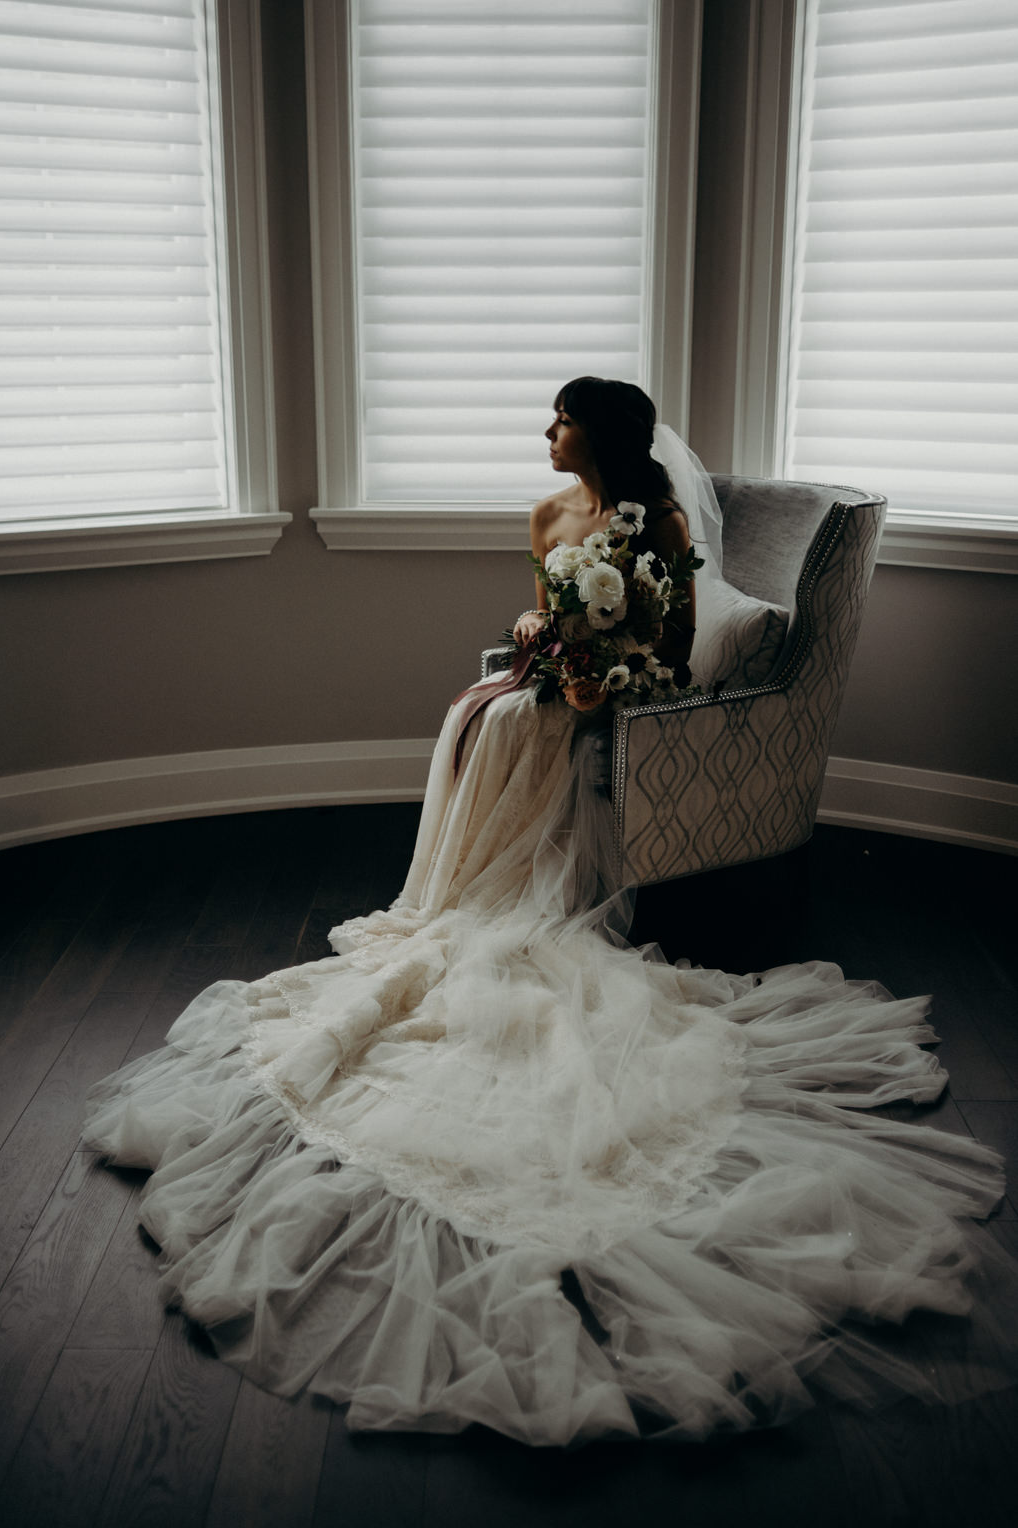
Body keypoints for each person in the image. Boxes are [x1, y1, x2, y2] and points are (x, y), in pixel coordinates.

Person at [84, 380, 1017, 1448]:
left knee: (537, 796)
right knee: (487, 723)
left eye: (562, 420)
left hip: (622, 708)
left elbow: (665, 653)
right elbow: (537, 617)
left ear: (602, 436)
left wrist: (605, 669)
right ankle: (479, 884)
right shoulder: (546, 520)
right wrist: (551, 647)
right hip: (552, 699)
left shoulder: (658, 523)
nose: (546, 434)